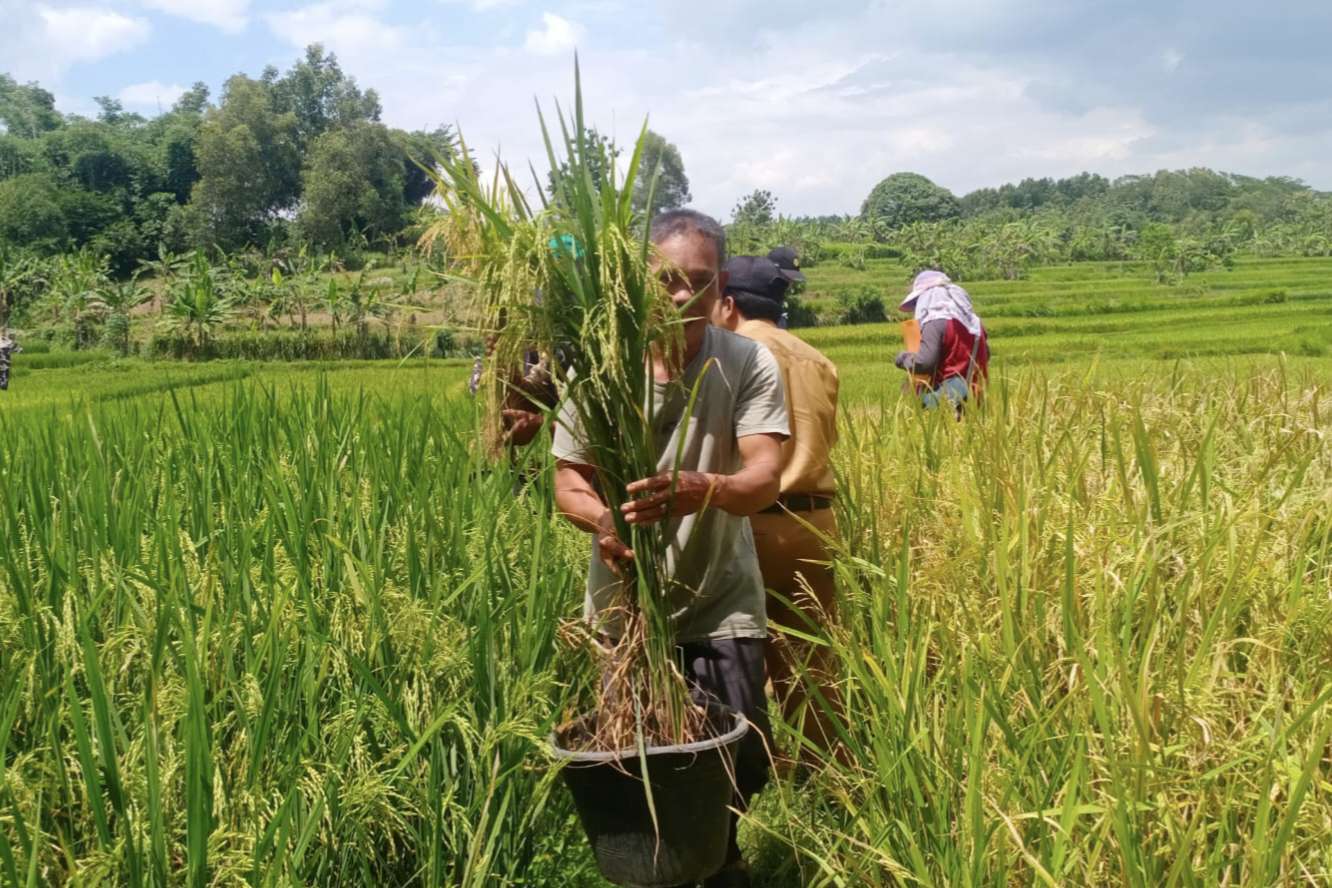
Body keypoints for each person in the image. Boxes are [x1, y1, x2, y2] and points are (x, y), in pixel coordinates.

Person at [551, 209, 789, 888]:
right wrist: (603, 523)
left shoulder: (745, 361)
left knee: (735, 759)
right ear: (636, 283)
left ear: (721, 292)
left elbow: (762, 477)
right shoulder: (603, 369)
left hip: (719, 598)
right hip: (628, 610)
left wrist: (702, 488)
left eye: (699, 282)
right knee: (638, 759)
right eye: (665, 280)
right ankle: (658, 868)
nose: (681, 296)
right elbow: (569, 483)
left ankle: (724, 861)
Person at [712, 256, 842, 762]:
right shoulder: (817, 358)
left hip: (752, 523)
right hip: (815, 521)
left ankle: (748, 771)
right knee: (811, 661)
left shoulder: (733, 355)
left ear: (728, 304)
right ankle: (824, 772)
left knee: (736, 653)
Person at [893, 270, 989, 410]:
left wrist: (903, 358)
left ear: (927, 298)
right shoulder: (975, 324)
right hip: (976, 397)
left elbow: (924, 363)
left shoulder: (935, 322)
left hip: (948, 402)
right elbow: (986, 354)